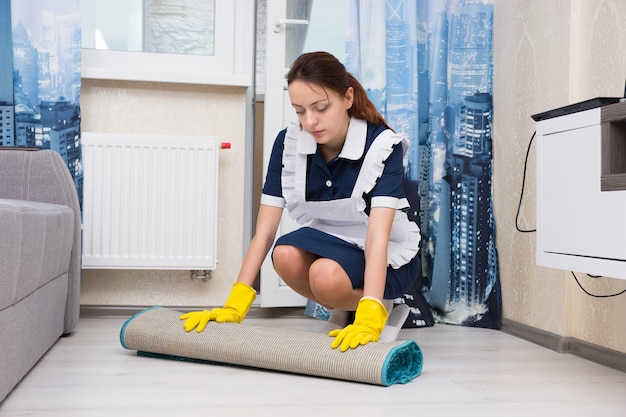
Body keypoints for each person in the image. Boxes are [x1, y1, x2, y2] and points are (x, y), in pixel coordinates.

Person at [180, 51, 421, 352]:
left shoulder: (383, 146)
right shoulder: (289, 142)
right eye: (299, 111)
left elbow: (377, 236)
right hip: (331, 239)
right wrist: (235, 304)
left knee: (324, 277)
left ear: (347, 98)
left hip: (386, 254)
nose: (310, 122)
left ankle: (379, 304)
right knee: (284, 255)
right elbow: (265, 232)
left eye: (320, 108)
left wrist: (371, 310)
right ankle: (345, 308)